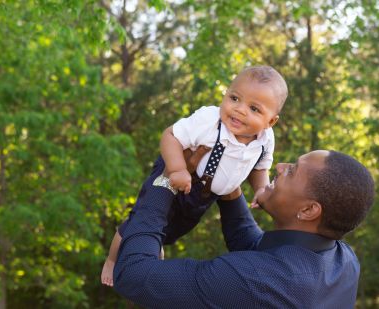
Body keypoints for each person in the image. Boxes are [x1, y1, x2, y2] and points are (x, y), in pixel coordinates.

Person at [113, 148, 375, 308]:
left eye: (293, 171)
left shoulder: (258, 283)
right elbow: (254, 246)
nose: (281, 167)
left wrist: (166, 179)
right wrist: (229, 185)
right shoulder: (342, 259)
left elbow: (133, 275)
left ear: (308, 210)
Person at [101, 66, 289, 286]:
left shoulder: (265, 139)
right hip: (177, 173)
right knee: (140, 220)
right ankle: (113, 259)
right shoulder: (210, 121)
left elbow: (260, 168)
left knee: (174, 229)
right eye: (234, 98)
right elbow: (170, 135)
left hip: (203, 196)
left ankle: (154, 241)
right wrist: (177, 168)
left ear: (271, 121)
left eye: (254, 109)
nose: (239, 110)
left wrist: (261, 189)